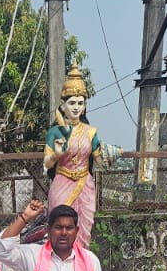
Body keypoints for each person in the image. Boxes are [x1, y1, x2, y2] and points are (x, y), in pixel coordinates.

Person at [44, 66, 117, 249]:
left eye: (80, 103)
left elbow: (99, 160)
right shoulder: (55, 132)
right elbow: (47, 163)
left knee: (83, 231)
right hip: (62, 183)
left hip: (84, 185)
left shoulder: (90, 132)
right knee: (59, 226)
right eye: (72, 103)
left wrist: (110, 156)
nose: (76, 107)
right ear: (63, 105)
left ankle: (81, 262)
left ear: (84, 106)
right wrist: (57, 154)